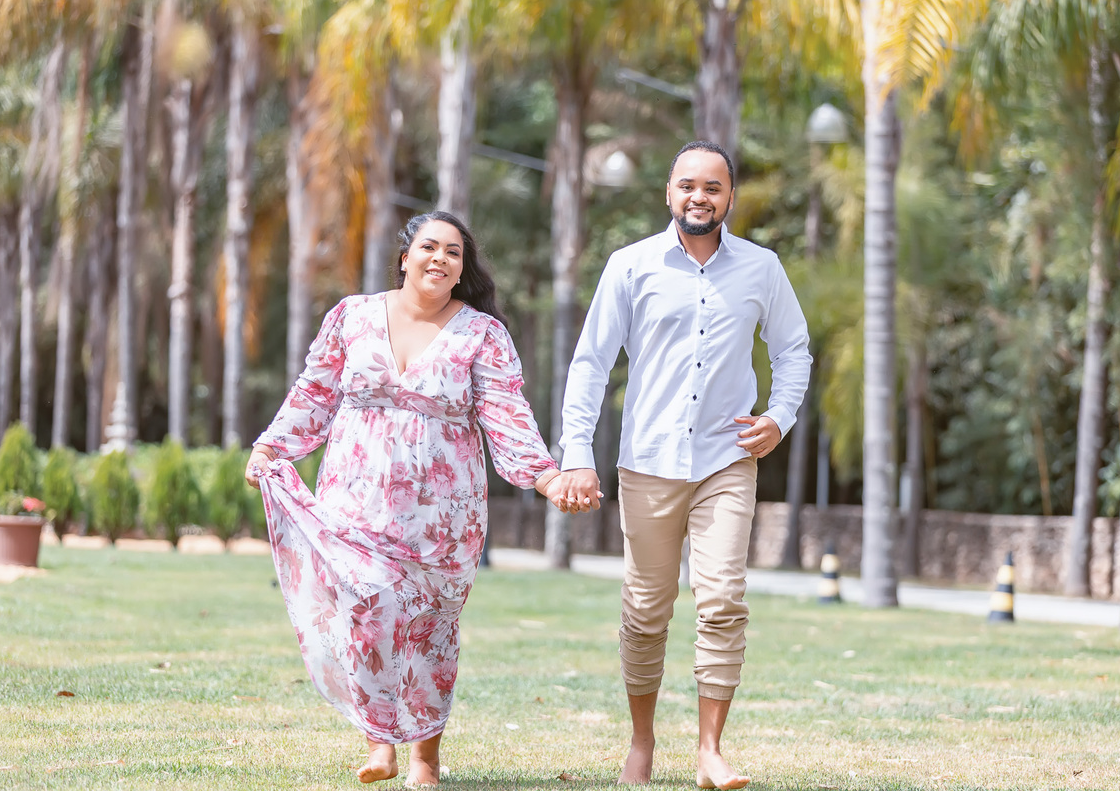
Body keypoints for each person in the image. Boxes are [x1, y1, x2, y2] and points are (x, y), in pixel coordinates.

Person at [246, 211, 565, 786]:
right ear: (405, 257)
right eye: (429, 247)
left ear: (461, 270)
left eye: (453, 253)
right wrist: (271, 448)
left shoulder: (481, 334)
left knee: (430, 627)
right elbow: (314, 392)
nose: (440, 258)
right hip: (355, 497)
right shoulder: (353, 316)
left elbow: (507, 415)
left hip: (444, 513)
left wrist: (546, 478)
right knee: (366, 609)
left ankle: (425, 759)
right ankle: (380, 743)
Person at [554, 141, 812, 789]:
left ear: (730, 198)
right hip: (648, 461)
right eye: (688, 185)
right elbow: (591, 363)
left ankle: (709, 751)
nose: (700, 197)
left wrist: (779, 416)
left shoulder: (761, 268)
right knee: (646, 608)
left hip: (728, 459)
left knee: (722, 599)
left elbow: (794, 350)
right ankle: (641, 742)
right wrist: (576, 454)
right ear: (669, 193)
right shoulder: (630, 265)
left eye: (713, 187)